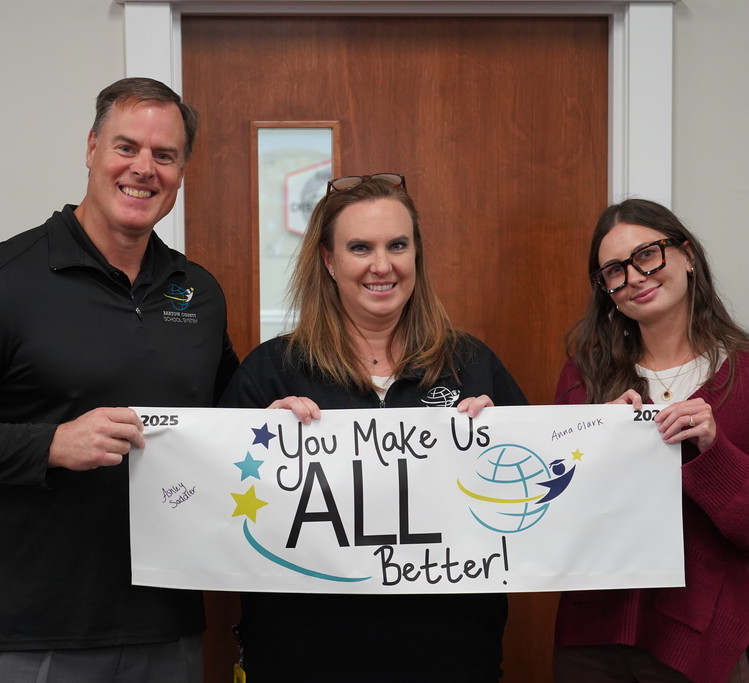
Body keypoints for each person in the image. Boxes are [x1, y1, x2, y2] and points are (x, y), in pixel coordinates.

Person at [0, 77, 238, 683]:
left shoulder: (198, 292)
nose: (143, 168)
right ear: (92, 147)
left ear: (181, 172)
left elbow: (229, 419)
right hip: (34, 634)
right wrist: (51, 444)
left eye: (165, 155)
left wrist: (281, 415)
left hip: (168, 626)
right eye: (126, 147)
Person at [218, 173, 529, 682]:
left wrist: (504, 442)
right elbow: (218, 512)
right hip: (301, 660)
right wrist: (257, 446)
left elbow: (534, 498)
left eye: (397, 245)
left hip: (451, 658)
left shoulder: (471, 364)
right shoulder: (272, 371)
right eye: (360, 247)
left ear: (416, 254)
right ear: (328, 259)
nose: (381, 265)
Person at [552, 198, 749, 683]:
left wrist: (714, 452)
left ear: (688, 255)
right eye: (614, 271)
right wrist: (593, 440)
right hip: (591, 639)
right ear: (606, 290)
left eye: (646, 255)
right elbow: (551, 508)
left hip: (704, 643)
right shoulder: (583, 376)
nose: (635, 278)